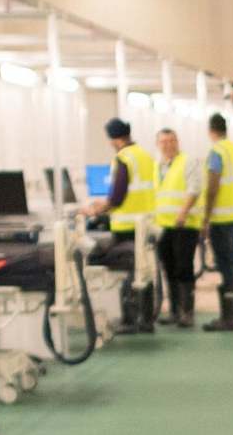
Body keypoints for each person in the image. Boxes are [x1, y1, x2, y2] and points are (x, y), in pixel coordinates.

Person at [84, 117, 158, 333]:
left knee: (129, 272)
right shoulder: (144, 155)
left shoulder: (123, 158)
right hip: (145, 222)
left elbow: (117, 196)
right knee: (144, 269)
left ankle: (130, 319)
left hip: (127, 225)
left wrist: (97, 209)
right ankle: (146, 319)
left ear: (113, 140)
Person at [199, 113, 233, 333]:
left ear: (211, 130)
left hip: (221, 216)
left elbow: (213, 186)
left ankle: (229, 317)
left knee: (226, 266)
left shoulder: (217, 152)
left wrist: (205, 217)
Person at [153, 128, 199, 330]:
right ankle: (173, 311)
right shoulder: (157, 166)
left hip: (184, 224)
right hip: (162, 226)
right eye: (163, 142)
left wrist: (183, 212)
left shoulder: (188, 161)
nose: (168, 145)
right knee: (168, 268)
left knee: (184, 268)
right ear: (158, 144)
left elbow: (194, 189)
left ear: (178, 142)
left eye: (171, 140)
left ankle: (186, 312)